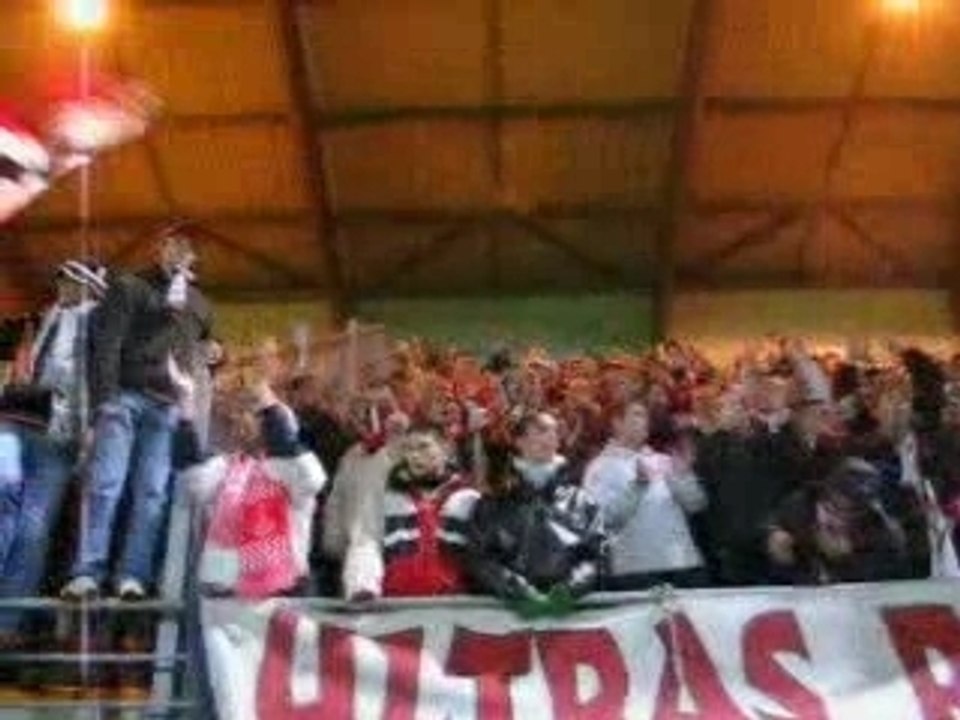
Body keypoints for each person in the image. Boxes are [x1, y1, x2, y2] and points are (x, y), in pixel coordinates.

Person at [62, 232, 214, 600]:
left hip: (166, 407)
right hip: (125, 399)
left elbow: (205, 344)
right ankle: (87, 572)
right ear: (158, 249)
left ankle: (133, 575)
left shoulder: (200, 303)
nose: (178, 253)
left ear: (193, 258)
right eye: (170, 245)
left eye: (185, 249)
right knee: (105, 484)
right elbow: (106, 343)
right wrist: (105, 400)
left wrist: (215, 354)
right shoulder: (130, 285)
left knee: (152, 494)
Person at [0, 260, 107, 641]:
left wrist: (88, 431)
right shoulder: (47, 316)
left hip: (57, 432)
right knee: (17, 513)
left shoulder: (96, 321)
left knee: (32, 527)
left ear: (90, 287)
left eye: (72, 279)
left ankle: (7, 624)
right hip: (18, 419)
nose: (63, 284)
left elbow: (87, 379)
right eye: (61, 277)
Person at [171, 359, 328, 599]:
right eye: (241, 416)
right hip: (228, 594)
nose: (244, 422)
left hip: (286, 592)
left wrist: (268, 401)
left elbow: (301, 468)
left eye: (256, 417)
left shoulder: (291, 473)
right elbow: (193, 478)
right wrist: (186, 406)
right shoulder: (227, 470)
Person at [464, 412, 605, 617]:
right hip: (508, 620)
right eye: (542, 430)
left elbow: (597, 556)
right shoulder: (495, 501)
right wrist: (518, 590)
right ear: (520, 441)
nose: (551, 436)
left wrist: (568, 591)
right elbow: (479, 558)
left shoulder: (582, 501)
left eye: (555, 431)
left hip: (570, 617)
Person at [583, 398, 708, 591]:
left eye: (645, 416)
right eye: (637, 415)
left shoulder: (665, 459)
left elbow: (696, 504)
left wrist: (682, 478)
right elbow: (602, 519)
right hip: (636, 570)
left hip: (684, 563)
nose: (645, 421)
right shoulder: (600, 467)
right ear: (617, 423)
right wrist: (638, 486)